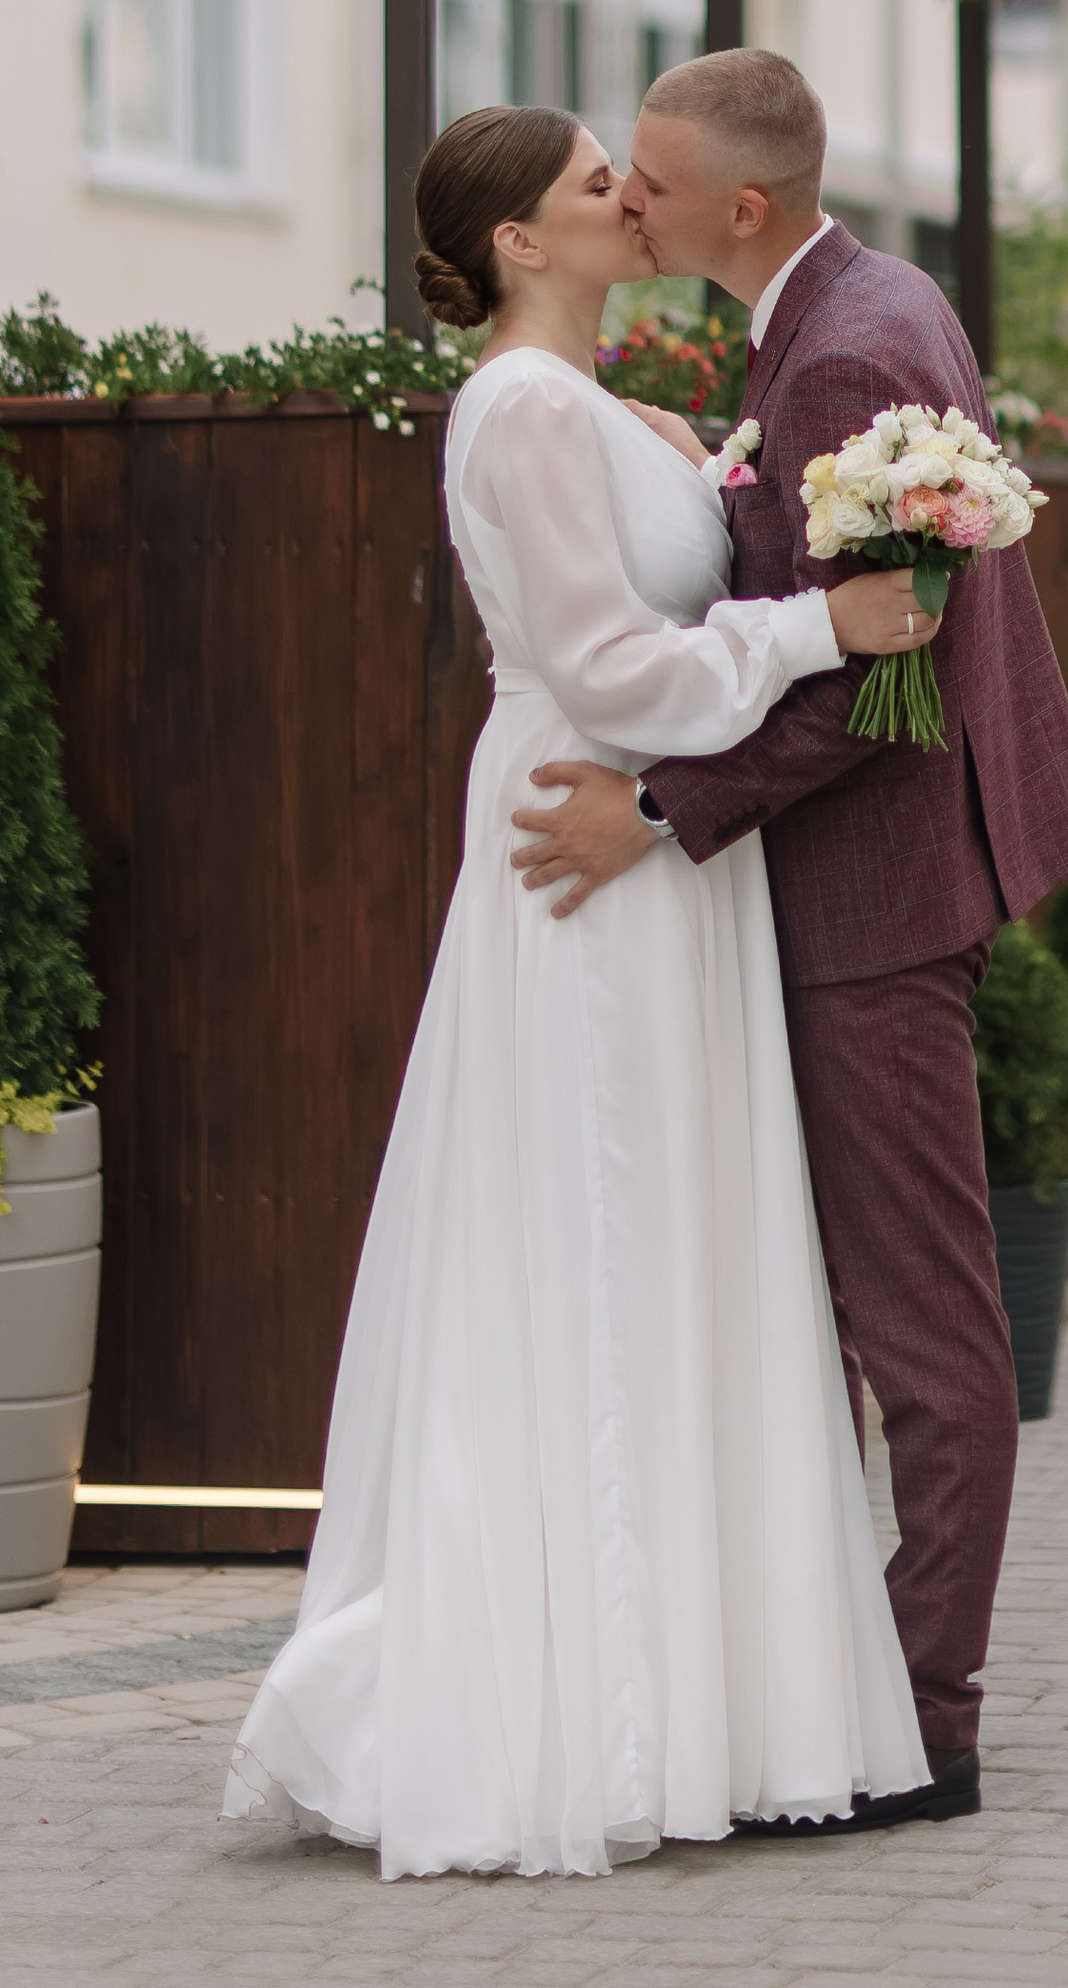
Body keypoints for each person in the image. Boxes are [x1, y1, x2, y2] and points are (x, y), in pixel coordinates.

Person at [223, 103, 945, 1881]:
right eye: (593, 183)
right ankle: (582, 1707)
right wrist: (820, 629)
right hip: (591, 839)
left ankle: (702, 1697)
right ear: (520, 244)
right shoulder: (526, 407)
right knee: (603, 1237)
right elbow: (611, 670)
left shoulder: (604, 406)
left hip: (664, 861)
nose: (632, 196)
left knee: (670, 1236)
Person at [509, 49, 1068, 1824]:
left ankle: (926, 1719)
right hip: (869, 880)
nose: (628, 197)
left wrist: (657, 808)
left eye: (650, 175)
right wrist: (708, 472)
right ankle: (849, 1688)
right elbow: (821, 595)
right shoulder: (853, 308)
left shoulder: (845, 346)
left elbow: (871, 676)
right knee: (862, 1307)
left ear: (742, 206)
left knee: (920, 1322)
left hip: (875, 895)